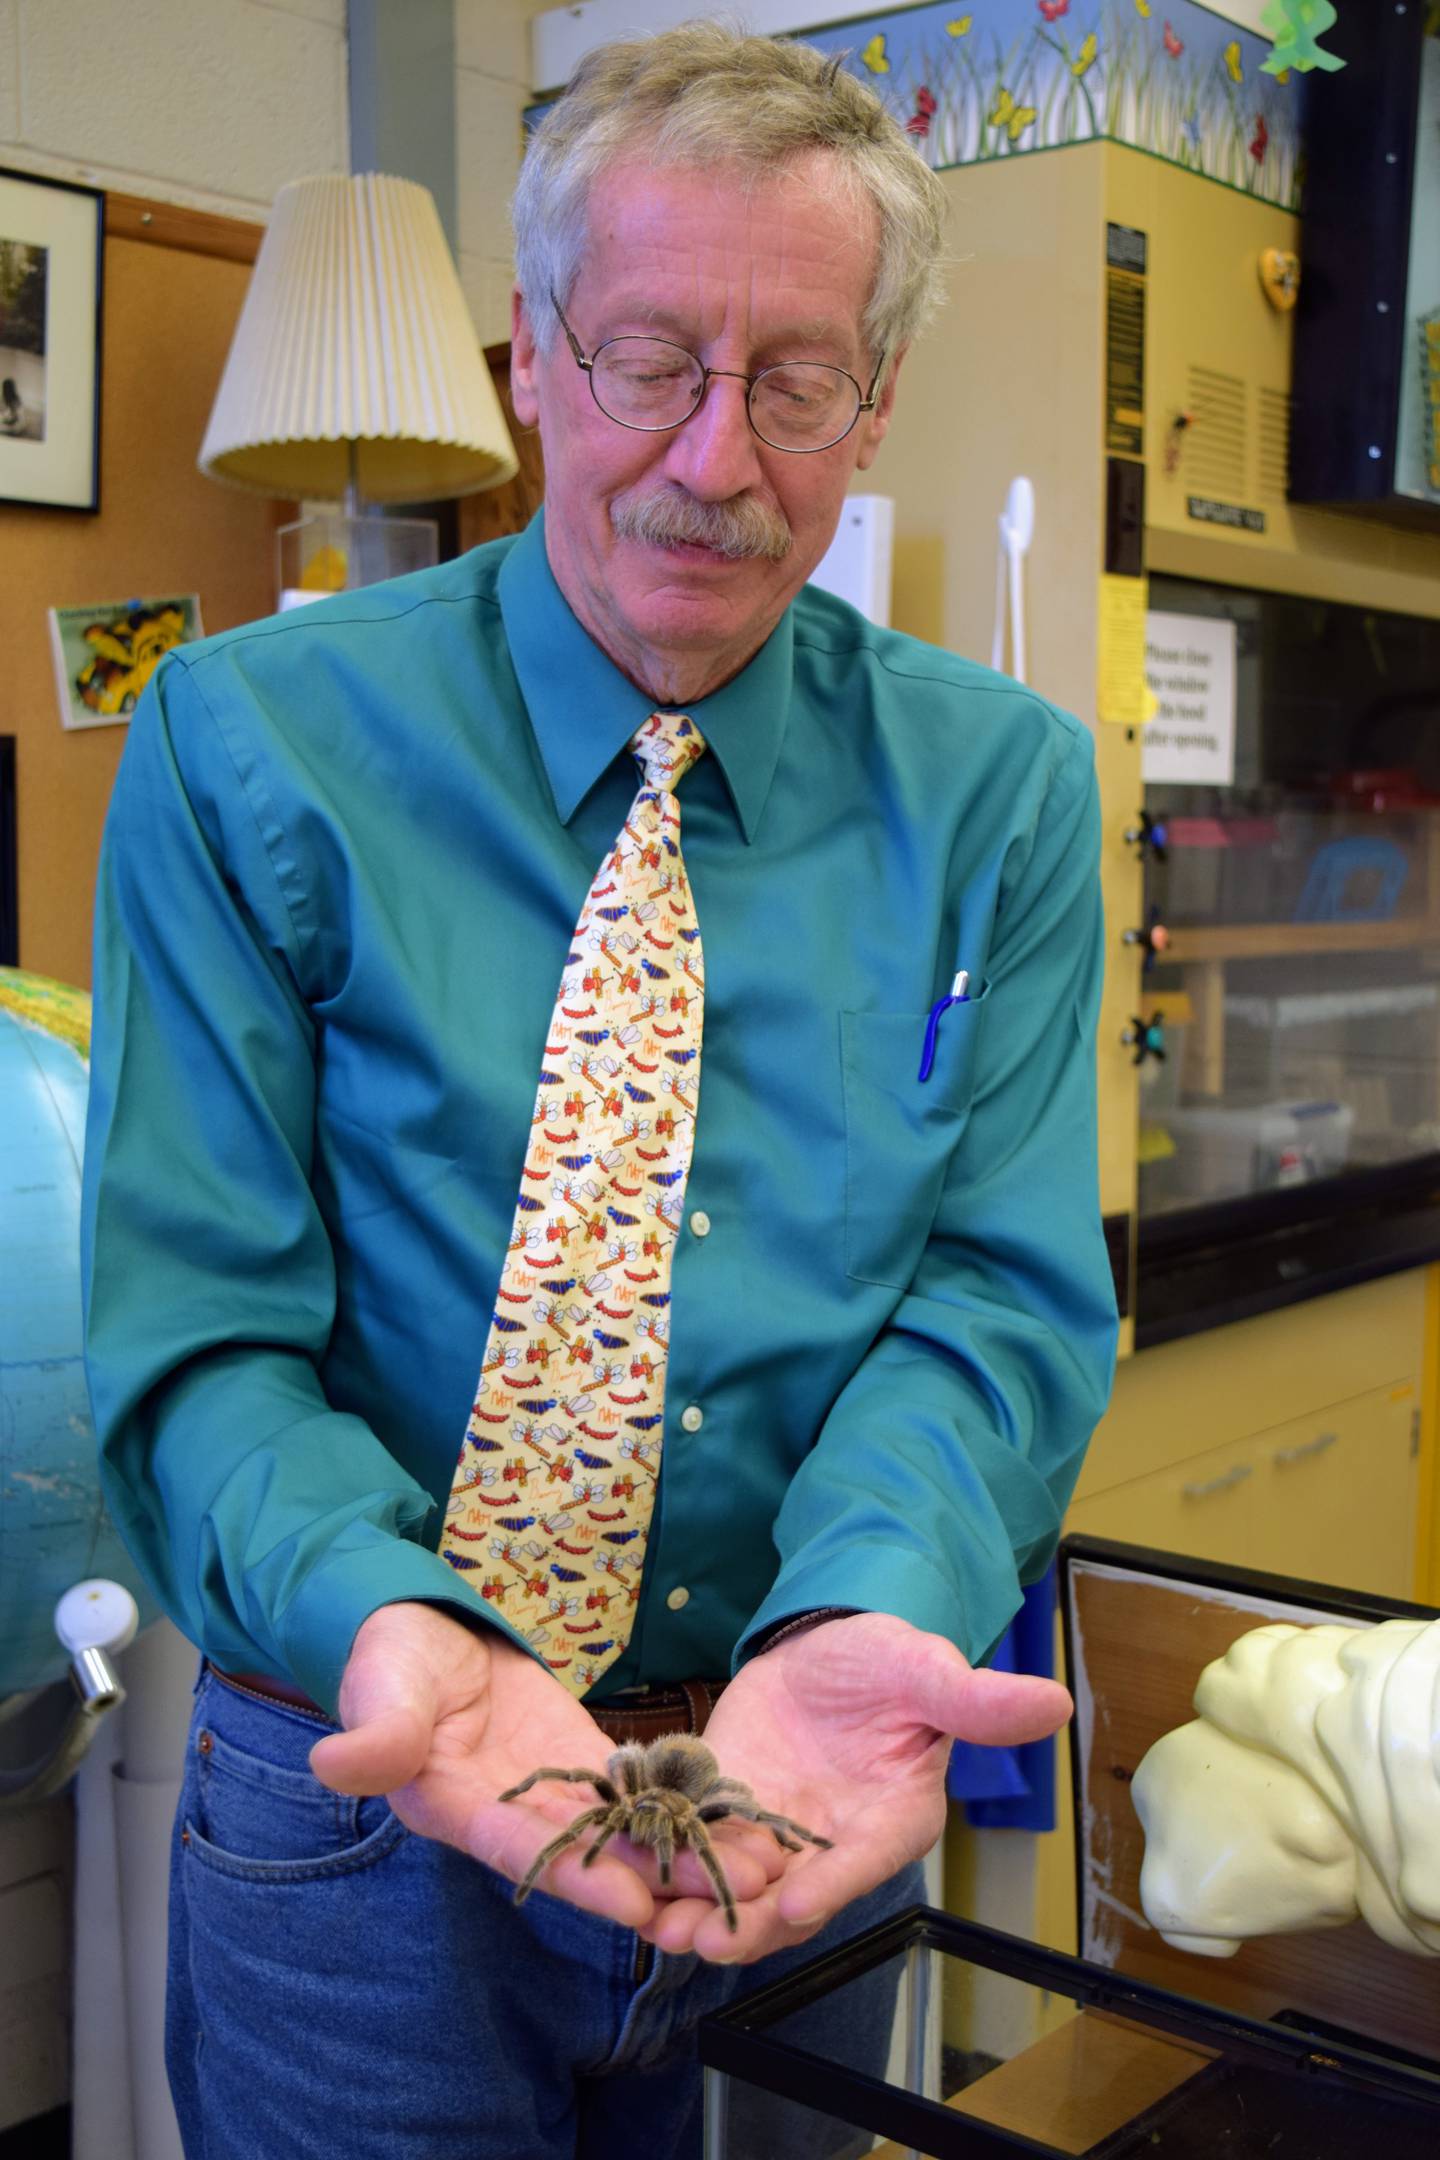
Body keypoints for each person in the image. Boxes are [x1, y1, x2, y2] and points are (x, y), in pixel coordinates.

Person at [81, 24, 1118, 2158]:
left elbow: (999, 1301)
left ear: (876, 397)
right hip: (367, 1818)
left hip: (791, 1797)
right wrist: (399, 1630)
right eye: (649, 357)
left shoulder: (1000, 791)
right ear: (535, 357)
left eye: (796, 380)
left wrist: (854, 1615)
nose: (718, 461)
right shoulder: (239, 743)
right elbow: (197, 1340)